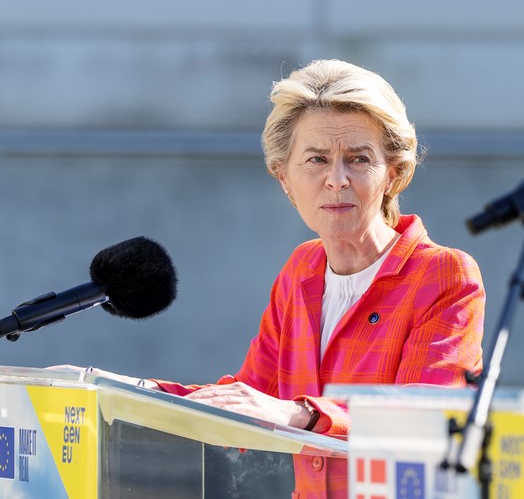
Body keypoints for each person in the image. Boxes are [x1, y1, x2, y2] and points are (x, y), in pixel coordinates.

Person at [65, 59, 485, 499]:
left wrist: (301, 414)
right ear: (284, 177)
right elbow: (243, 402)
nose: (336, 179)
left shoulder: (444, 275)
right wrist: (113, 389)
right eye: (316, 159)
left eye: (359, 159)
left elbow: (428, 422)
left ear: (392, 173)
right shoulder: (301, 271)